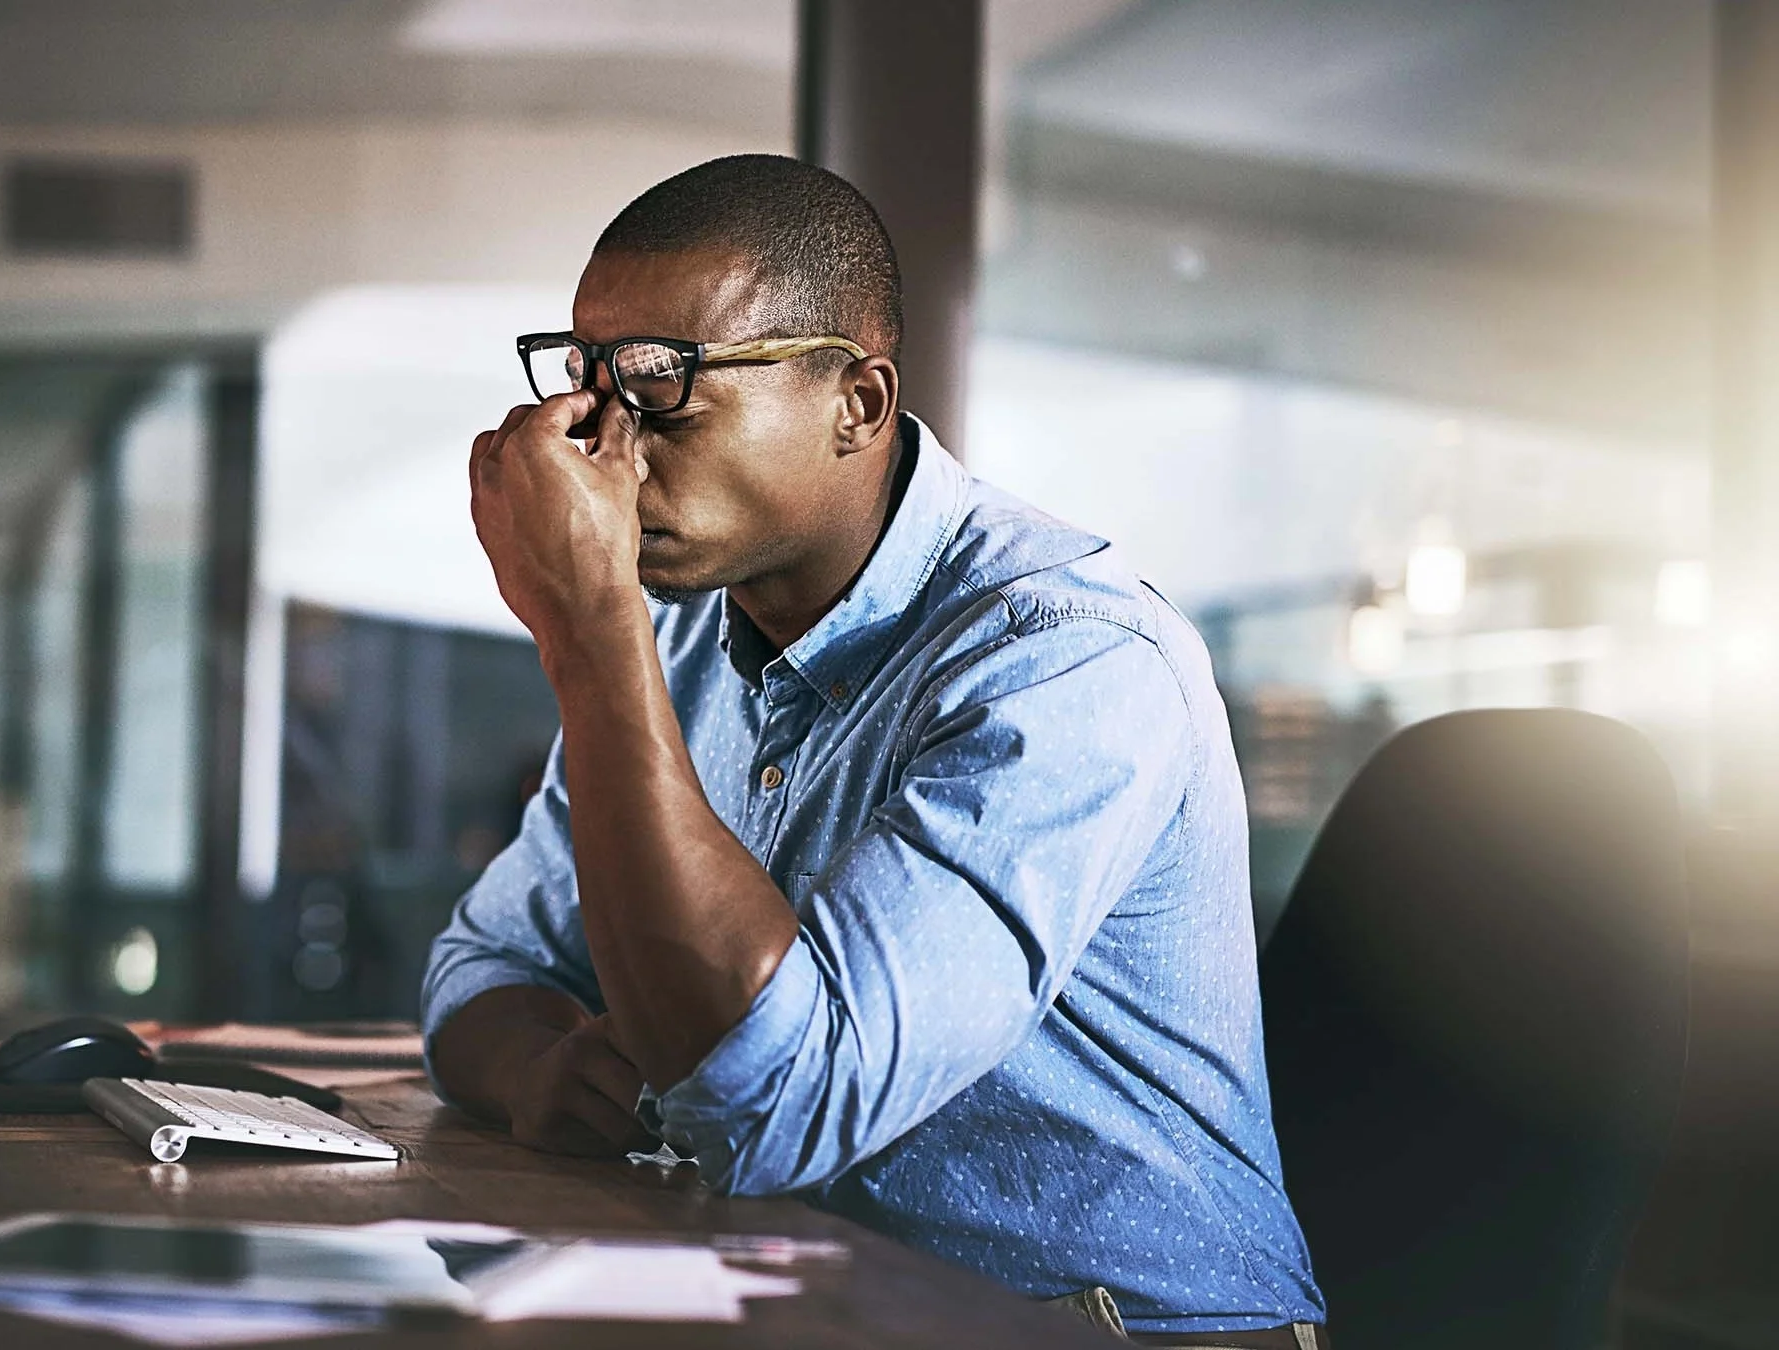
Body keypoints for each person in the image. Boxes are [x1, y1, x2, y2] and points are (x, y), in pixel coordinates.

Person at [421, 154, 1326, 1344]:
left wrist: (590, 631)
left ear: (857, 403)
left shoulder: (1072, 662)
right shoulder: (690, 636)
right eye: (587, 386)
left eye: (664, 389)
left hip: (1115, 1331)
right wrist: (541, 1075)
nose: (606, 451)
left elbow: (776, 1100)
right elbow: (479, 964)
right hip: (826, 1309)